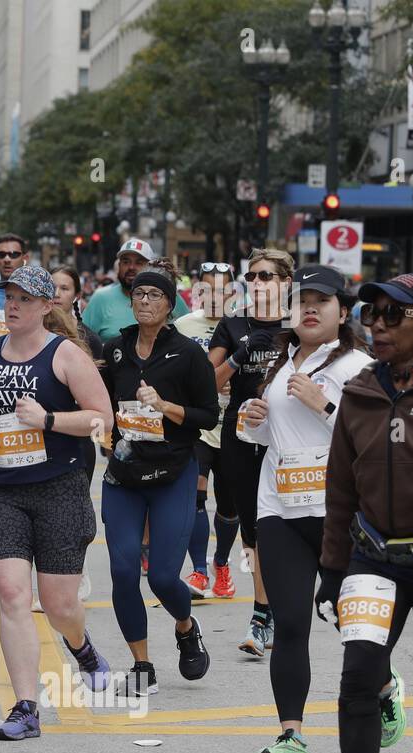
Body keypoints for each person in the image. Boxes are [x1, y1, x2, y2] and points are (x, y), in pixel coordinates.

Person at [308, 272, 413, 753]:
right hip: (372, 561)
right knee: (359, 681)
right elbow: (339, 486)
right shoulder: (362, 391)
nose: (380, 325)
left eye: (397, 315)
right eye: (375, 314)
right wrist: (333, 569)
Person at [0, 265, 113, 739]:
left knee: (59, 604)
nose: (14, 305)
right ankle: (25, 707)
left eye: (25, 298)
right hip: (1, 492)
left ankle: (81, 648)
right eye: (9, 296)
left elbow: (103, 419)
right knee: (12, 594)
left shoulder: (65, 356)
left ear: (47, 306)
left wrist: (48, 420)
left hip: (59, 489)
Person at [236, 266, 370, 753]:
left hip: (339, 514)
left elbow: (373, 439)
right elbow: (272, 440)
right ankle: (291, 736)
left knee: (351, 623)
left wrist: (326, 404)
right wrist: (256, 421)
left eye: (322, 300)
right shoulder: (281, 361)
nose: (310, 308)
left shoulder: (358, 365)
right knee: (290, 624)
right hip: (280, 510)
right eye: (302, 300)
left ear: (342, 311)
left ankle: (383, 688)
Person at [100, 265, 219, 696]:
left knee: (164, 577)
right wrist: (104, 432)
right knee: (123, 568)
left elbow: (210, 415)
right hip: (124, 473)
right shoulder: (116, 350)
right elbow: (97, 402)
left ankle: (186, 627)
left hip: (172, 472)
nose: (145, 300)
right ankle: (142, 664)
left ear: (170, 304)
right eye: (139, 294)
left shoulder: (188, 354)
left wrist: (166, 406)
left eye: (155, 294)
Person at [209, 248, 294, 656]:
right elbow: (208, 382)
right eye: (253, 277)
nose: (258, 284)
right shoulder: (233, 323)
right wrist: (242, 355)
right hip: (241, 436)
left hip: (290, 439)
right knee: (255, 526)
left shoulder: (299, 324)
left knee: (288, 524)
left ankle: (271, 611)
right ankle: (264, 614)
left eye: (268, 277)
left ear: (286, 283)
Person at [177, 262, 240, 599]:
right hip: (198, 427)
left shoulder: (243, 326)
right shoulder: (184, 325)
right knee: (195, 496)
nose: (215, 296)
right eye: (207, 289)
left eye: (222, 289)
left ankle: (222, 564)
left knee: (230, 508)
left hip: (233, 428)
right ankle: (199, 570)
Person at [83, 239, 190, 342]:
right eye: (126, 262)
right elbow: (82, 340)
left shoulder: (169, 297)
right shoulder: (101, 297)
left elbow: (189, 333)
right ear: (119, 265)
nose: (131, 267)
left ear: (151, 267)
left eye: (139, 262)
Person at [51, 265, 103, 360]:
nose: (56, 294)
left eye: (64, 288)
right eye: (52, 287)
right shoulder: (32, 331)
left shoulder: (90, 339)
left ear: (77, 296)